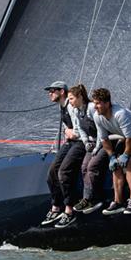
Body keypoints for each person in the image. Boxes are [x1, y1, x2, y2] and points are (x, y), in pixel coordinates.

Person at [92, 88, 131, 216]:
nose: (95, 106)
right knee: (115, 166)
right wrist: (112, 157)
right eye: (94, 103)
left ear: (107, 104)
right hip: (126, 138)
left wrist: (125, 155)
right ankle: (118, 201)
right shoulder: (97, 116)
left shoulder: (119, 114)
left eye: (98, 103)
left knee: (128, 163)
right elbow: (104, 140)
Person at [40, 81, 78, 226]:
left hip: (79, 141)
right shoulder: (62, 107)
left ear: (62, 92)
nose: (50, 93)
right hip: (70, 142)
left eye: (52, 90)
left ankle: (69, 210)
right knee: (51, 174)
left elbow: (80, 128)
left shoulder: (71, 106)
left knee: (63, 172)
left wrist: (70, 132)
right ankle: (56, 207)